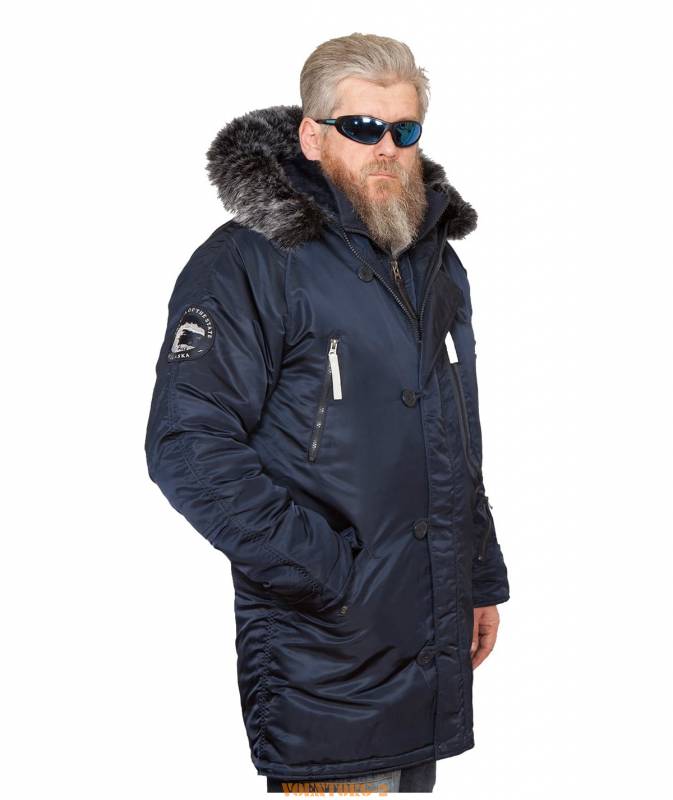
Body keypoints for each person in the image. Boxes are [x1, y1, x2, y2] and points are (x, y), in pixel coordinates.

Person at [144, 32, 510, 794]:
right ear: (312, 136)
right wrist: (330, 573)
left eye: (403, 129)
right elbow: (187, 444)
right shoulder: (250, 260)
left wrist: (477, 575)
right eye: (362, 127)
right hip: (323, 652)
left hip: (426, 636)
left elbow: (452, 435)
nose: (386, 148)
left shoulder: (433, 263)